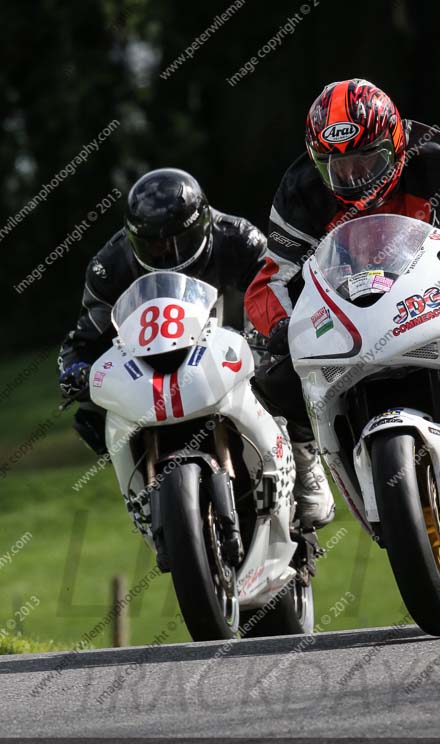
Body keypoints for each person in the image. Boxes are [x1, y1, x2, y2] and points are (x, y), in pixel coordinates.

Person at [244, 77, 440, 455]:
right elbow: (272, 277)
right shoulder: (302, 190)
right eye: (338, 166)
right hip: (356, 305)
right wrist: (281, 325)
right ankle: (311, 457)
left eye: (366, 161)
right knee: (275, 378)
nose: (354, 178)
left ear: (395, 144)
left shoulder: (439, 156)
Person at [58, 167, 334, 530]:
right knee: (92, 414)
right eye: (154, 244)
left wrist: (278, 330)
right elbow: (84, 335)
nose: (167, 251)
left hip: (226, 339)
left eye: (178, 240)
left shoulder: (237, 237)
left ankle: (304, 461)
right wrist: (74, 369)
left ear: (203, 224)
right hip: (149, 359)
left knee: (281, 371)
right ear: (133, 239)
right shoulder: (109, 266)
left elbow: (276, 287)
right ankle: (143, 497)